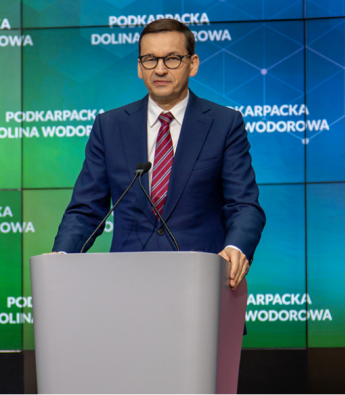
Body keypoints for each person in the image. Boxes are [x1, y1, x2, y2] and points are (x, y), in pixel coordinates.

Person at [50, 19, 265, 290]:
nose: (160, 69)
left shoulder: (224, 124)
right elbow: (86, 210)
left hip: (202, 285)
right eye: (150, 59)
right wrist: (61, 257)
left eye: (172, 59)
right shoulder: (110, 126)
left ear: (193, 64)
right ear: (140, 68)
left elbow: (244, 205)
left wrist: (236, 247)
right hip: (128, 286)